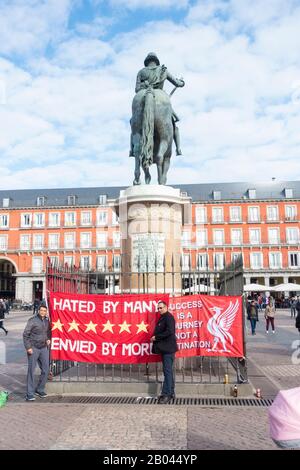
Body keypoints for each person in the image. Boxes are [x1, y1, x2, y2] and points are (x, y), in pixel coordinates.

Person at [129, 52, 185, 158]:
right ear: (156, 61)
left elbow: (137, 90)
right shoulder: (163, 70)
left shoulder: (141, 72)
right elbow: (177, 83)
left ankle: (132, 149)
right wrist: (182, 82)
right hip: (161, 99)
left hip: (143, 95)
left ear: (147, 62)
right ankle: (178, 148)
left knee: (133, 123)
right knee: (174, 123)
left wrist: (145, 86)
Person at [151, 300, 178, 404]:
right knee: (168, 371)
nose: (159, 309)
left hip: (168, 349)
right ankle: (170, 392)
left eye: (161, 307)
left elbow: (170, 331)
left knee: (167, 371)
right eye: (158, 308)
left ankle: (166, 394)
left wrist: (156, 337)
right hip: (165, 348)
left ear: (166, 307)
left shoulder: (168, 317)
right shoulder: (163, 317)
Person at [23, 303, 51, 401]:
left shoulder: (47, 321)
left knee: (46, 369)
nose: (43, 312)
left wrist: (48, 339)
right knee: (31, 370)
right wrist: (28, 347)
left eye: (45, 310)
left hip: (43, 348)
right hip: (33, 348)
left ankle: (39, 389)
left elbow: (48, 332)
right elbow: (25, 334)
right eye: (41, 310)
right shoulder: (32, 320)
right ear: (38, 311)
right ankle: (29, 393)